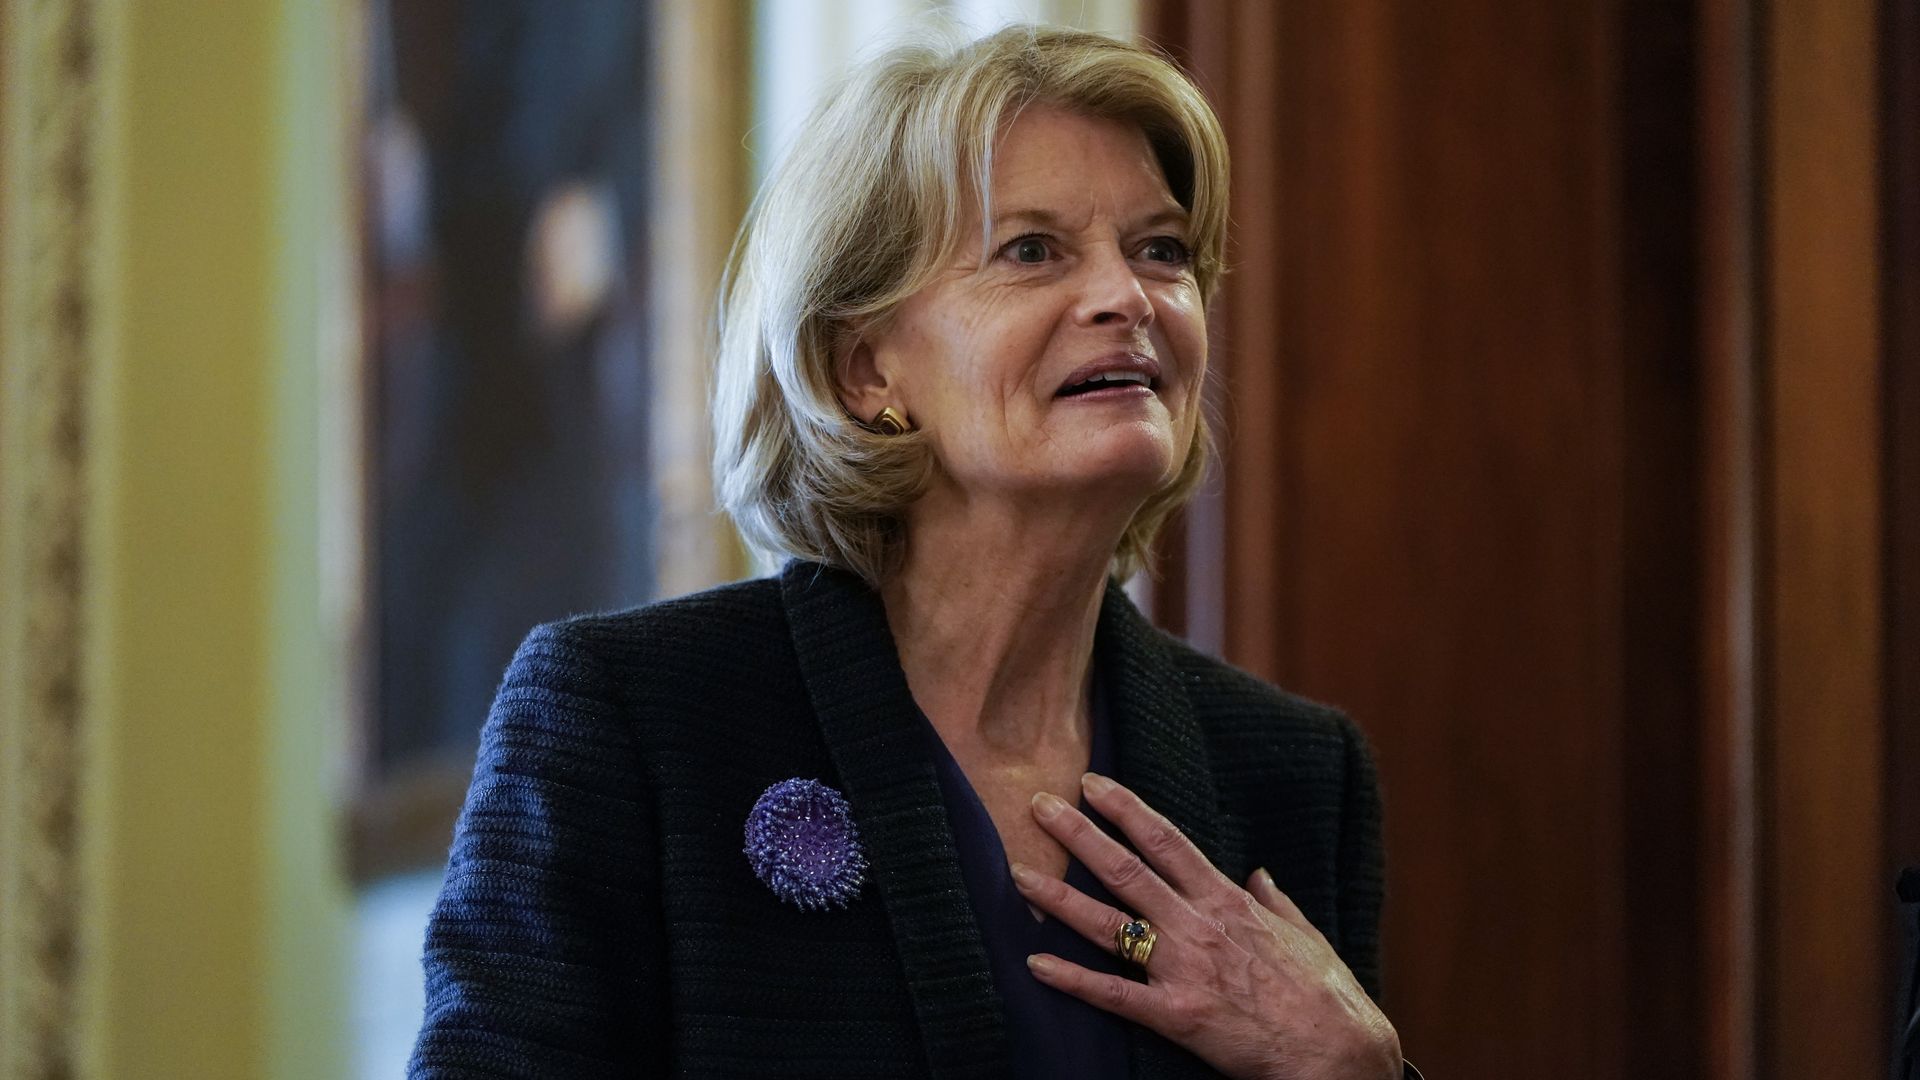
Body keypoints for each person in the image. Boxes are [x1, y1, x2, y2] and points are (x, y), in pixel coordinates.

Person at [410, 24, 1416, 1080]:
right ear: (863, 372)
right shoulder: (631, 720)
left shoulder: (1297, 775)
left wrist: (1354, 1072)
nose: (1130, 297)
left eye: (1161, 249)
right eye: (1033, 251)